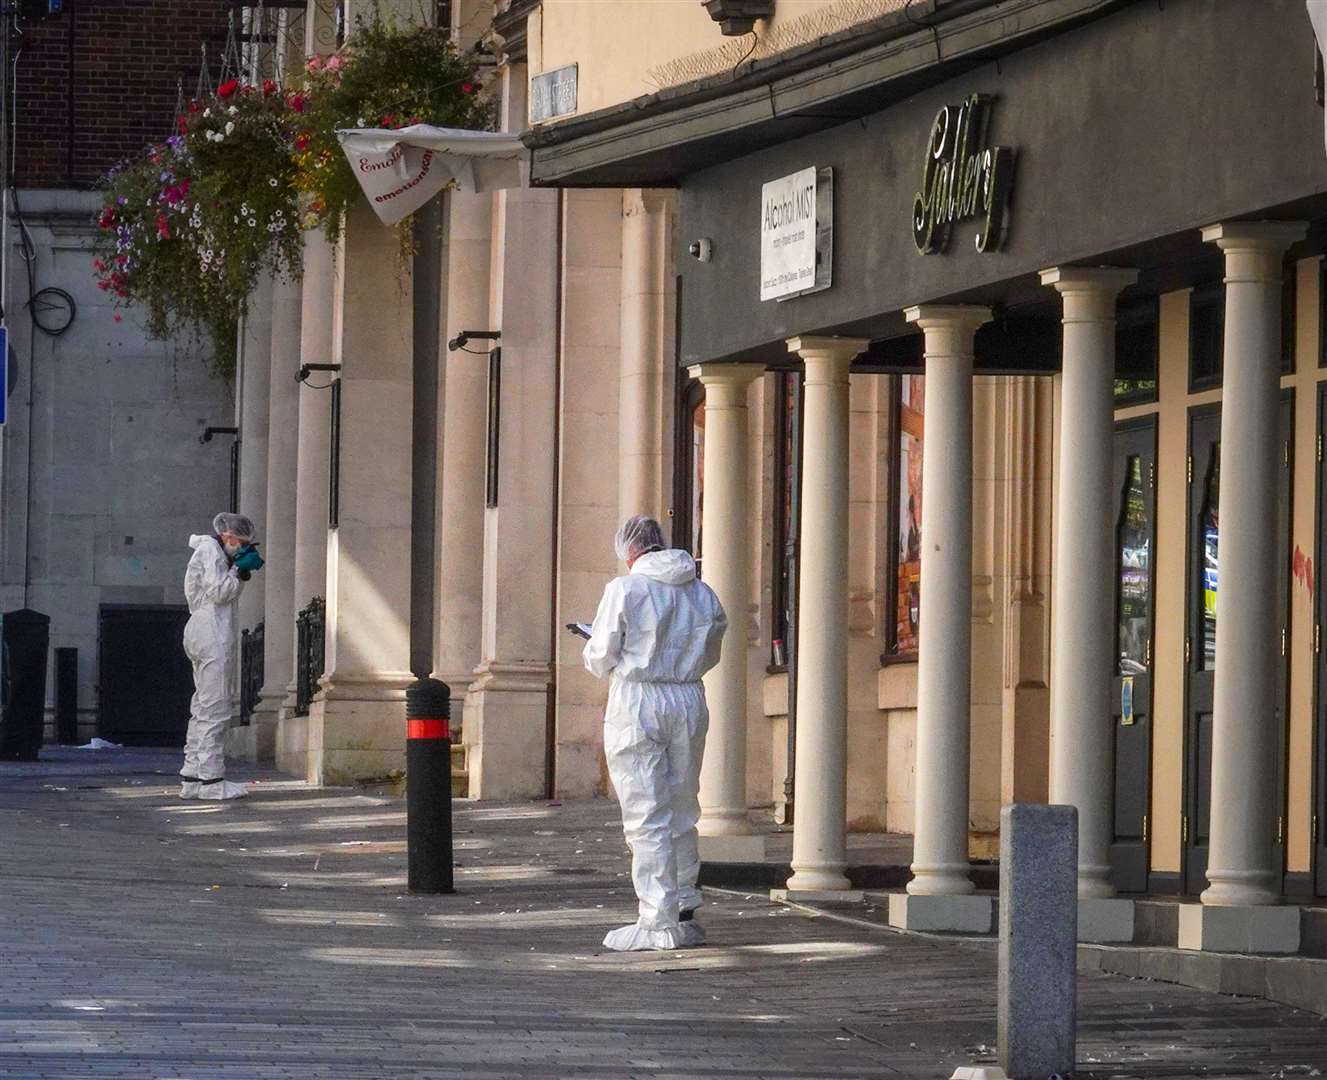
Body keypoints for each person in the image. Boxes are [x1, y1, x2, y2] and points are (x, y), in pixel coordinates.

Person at [583, 515, 727, 951]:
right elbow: (712, 649)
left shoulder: (624, 589)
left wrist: (591, 649)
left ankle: (657, 920)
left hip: (639, 700)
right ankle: (684, 907)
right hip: (687, 698)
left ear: (628, 553)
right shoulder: (702, 592)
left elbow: (602, 653)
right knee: (683, 805)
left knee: (646, 812)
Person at [179, 512, 261, 801]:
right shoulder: (212, 551)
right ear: (228, 536)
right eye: (240, 542)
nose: (240, 548)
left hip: (200, 629)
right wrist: (238, 572)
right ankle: (212, 780)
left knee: (202, 705)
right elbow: (219, 592)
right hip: (211, 631)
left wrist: (236, 569)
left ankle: (193, 776)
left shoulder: (208, 550)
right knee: (215, 707)